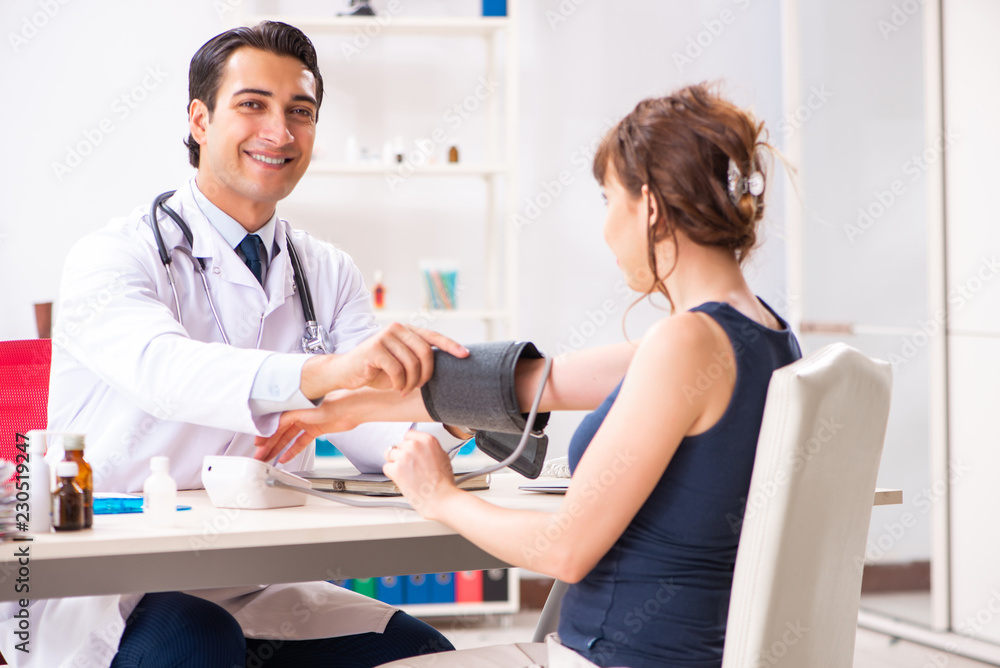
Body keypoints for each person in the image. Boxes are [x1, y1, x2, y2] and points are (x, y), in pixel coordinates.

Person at [255, 83, 804, 667]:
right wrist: (348, 409)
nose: (605, 229)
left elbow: (565, 550)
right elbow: (534, 382)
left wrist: (437, 495)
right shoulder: (767, 335)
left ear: (649, 206)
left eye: (606, 200)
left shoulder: (685, 342)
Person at [2, 21, 467, 668]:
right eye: (253, 105)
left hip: (257, 576)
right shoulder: (114, 256)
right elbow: (167, 372)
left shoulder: (325, 270)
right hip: (117, 580)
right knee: (197, 642)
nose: (279, 132)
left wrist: (455, 408)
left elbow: (372, 431)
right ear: (199, 119)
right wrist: (328, 371)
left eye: (299, 112)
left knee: (423, 654)